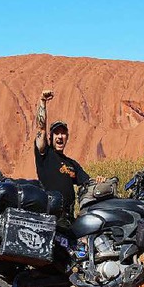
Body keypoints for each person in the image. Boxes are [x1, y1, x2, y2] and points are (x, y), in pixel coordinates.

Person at [34, 90, 100, 223]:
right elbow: (41, 128)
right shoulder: (45, 154)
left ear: (67, 137)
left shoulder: (72, 164)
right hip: (49, 216)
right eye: (56, 133)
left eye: (63, 134)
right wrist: (42, 102)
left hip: (68, 219)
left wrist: (99, 181)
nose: (59, 137)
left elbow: (87, 182)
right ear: (50, 137)